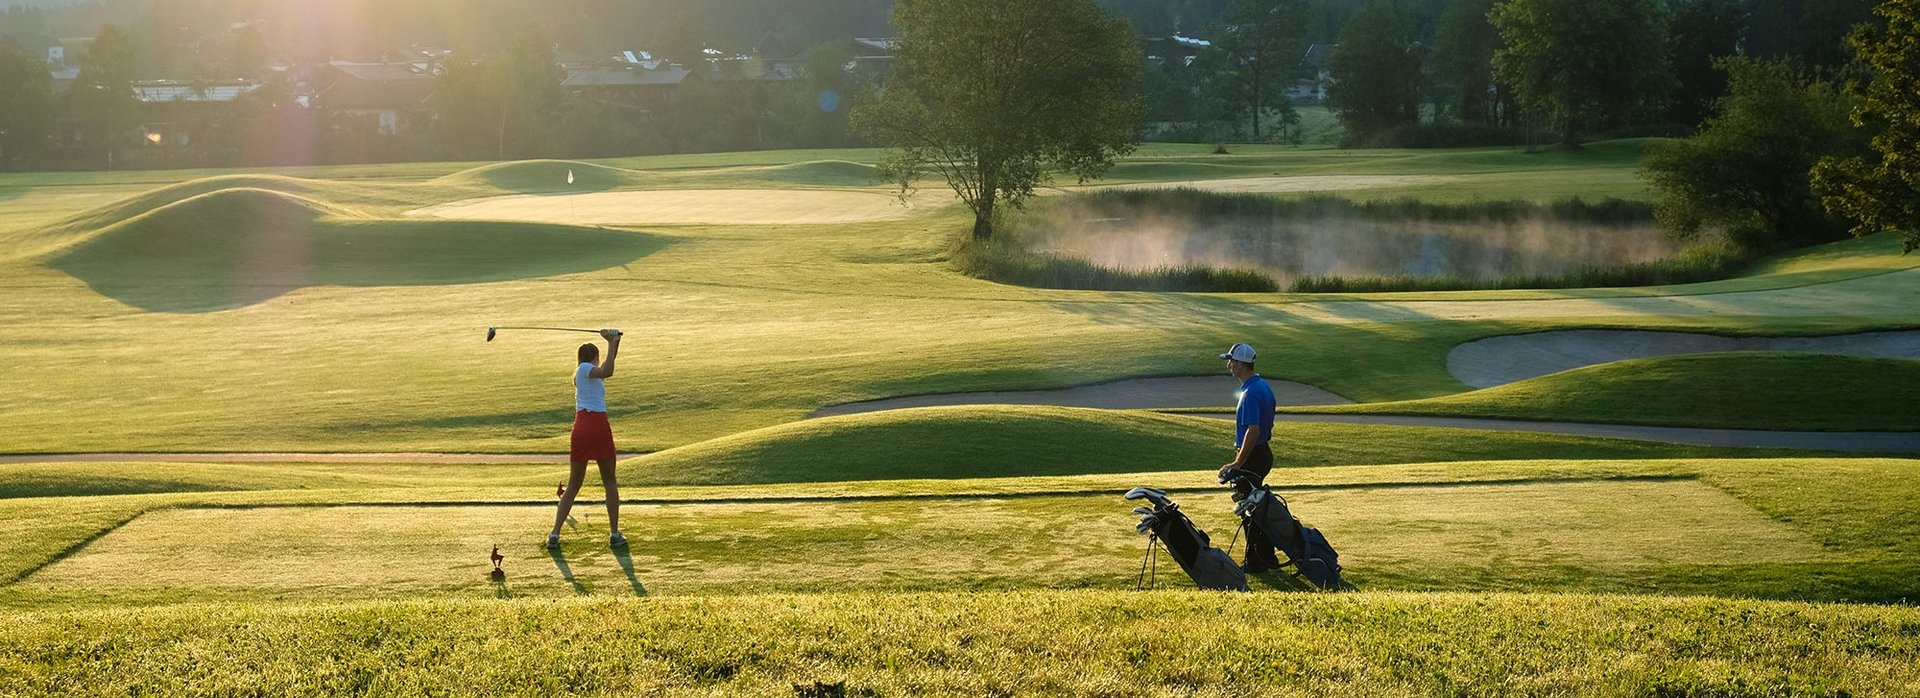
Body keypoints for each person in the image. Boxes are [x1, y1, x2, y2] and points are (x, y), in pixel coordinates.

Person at [549, 329, 625, 550]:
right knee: (609, 482)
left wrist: (615, 341)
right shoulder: (584, 369)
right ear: (593, 357)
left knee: (574, 484)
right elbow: (608, 370)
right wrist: (610, 341)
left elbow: (609, 363)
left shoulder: (582, 373)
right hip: (596, 426)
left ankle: (555, 534)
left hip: (581, 427)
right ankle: (613, 534)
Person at [1216, 342, 1281, 572]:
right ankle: (1266, 557)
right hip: (1261, 454)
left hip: (1253, 457)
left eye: (1232, 361)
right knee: (1256, 508)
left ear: (1242, 364)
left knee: (1250, 510)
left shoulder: (1249, 393)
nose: (1229, 366)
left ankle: (1256, 561)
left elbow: (1252, 432)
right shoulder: (1261, 386)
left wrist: (1237, 463)